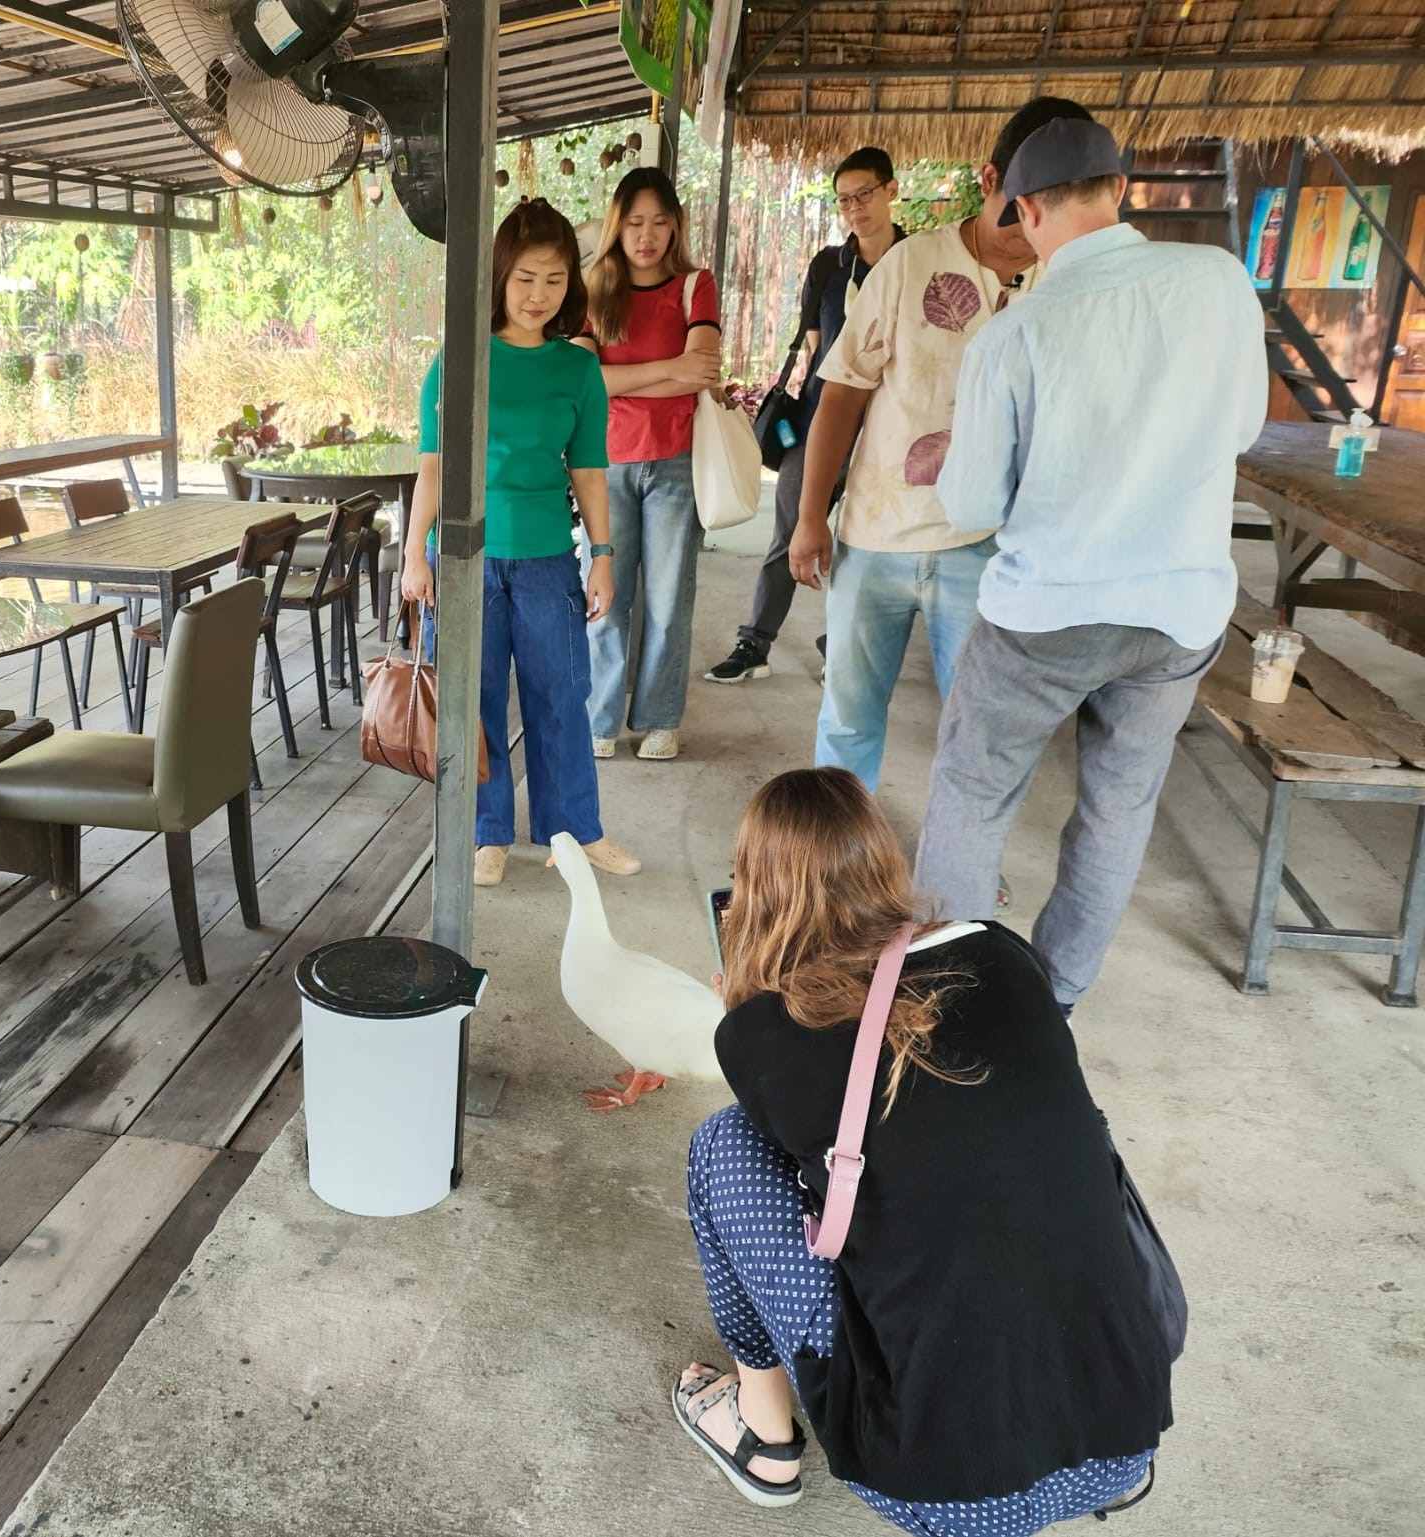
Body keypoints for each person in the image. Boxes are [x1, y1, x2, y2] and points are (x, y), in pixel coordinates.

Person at [674, 767, 1171, 1532]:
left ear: (755, 893)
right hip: (1123, 1446)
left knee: (726, 1147)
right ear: (882, 862)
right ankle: (1077, 1449)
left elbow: (802, 1152)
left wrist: (744, 1006)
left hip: (944, 1492)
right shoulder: (1005, 956)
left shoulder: (758, 1033)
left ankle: (763, 1434)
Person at [913, 115, 1268, 1015]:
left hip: (1045, 615)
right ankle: (1056, 999)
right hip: (1177, 613)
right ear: (1118, 188)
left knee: (972, 793)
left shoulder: (1017, 333)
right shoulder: (1220, 283)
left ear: (1023, 210)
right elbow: (1242, 430)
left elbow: (972, 507)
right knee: (1117, 808)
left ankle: (948, 1006)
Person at [792, 100, 1092, 792]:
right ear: (990, 180)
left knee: (981, 725)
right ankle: (837, 863)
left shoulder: (1066, 286)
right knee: (848, 715)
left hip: (988, 547)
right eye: (1026, 208)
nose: (1037, 232)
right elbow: (841, 391)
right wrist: (812, 517)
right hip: (876, 533)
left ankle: (963, 866)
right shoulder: (911, 264)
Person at [401, 198, 641, 888]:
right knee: (471, 700)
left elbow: (588, 469)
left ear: (573, 285)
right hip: (465, 559)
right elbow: (434, 465)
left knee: (561, 693)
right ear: (501, 276)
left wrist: (602, 556)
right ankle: (487, 833)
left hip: (546, 561)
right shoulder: (460, 358)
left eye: (556, 279)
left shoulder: (576, 369)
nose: (539, 295)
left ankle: (576, 830)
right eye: (526, 278)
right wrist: (412, 553)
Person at [706, 147, 904, 685]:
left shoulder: (916, 260)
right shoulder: (828, 266)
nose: (856, 208)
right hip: (822, 419)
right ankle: (755, 642)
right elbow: (817, 348)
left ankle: (841, 642)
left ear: (890, 190)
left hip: (892, 427)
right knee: (792, 527)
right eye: (845, 200)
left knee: (869, 542)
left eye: (865, 194)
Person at [573, 167, 721, 761]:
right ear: (617, 225)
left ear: (676, 226)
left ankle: (661, 717)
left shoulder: (694, 286)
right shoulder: (591, 288)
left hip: (675, 464)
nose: (646, 235)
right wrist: (669, 372)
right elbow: (586, 383)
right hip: (604, 465)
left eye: (660, 222)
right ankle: (601, 719)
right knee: (605, 598)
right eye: (634, 222)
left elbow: (703, 369)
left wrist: (623, 382)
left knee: (668, 598)